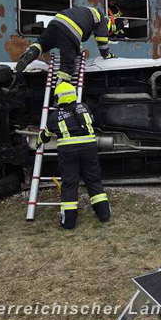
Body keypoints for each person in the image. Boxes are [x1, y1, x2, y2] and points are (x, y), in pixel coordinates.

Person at [42, 82, 110, 229]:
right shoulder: (84, 107)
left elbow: (46, 135)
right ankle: (104, 214)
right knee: (93, 179)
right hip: (89, 148)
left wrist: (38, 143)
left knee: (70, 183)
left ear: (58, 97)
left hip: (68, 151)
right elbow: (91, 120)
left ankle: (69, 222)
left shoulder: (54, 115)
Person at [16, 6, 116, 81]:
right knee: (68, 64)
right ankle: (60, 91)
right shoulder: (102, 19)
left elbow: (79, 36)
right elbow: (102, 40)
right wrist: (107, 55)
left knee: (42, 43)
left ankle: (30, 54)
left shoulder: (87, 11)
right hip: (70, 29)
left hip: (55, 22)